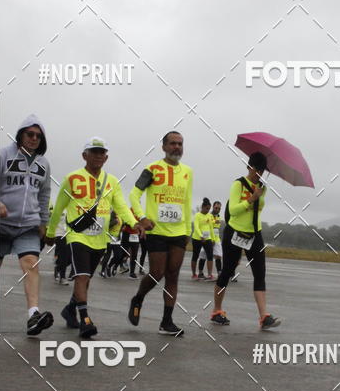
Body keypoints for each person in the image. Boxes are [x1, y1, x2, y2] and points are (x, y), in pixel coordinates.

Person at [46, 137, 145, 337]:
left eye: (102, 152)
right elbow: (58, 208)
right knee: (81, 276)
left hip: (100, 239)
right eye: (94, 152)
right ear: (85, 155)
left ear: (106, 157)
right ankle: (85, 320)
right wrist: (49, 232)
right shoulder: (72, 178)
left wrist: (135, 222)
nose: (98, 156)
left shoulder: (112, 181)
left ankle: (70, 310)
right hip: (77, 236)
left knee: (87, 278)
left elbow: (121, 207)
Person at [127, 131, 192, 336]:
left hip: (179, 232)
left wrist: (188, 230)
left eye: (180, 144)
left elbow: (187, 202)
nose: (177, 147)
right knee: (157, 273)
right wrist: (141, 218)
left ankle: (167, 321)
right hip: (156, 231)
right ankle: (138, 297)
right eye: (172, 143)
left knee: (173, 275)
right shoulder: (152, 169)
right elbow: (134, 195)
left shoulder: (188, 172)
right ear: (163, 147)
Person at [210, 152, 280, 330]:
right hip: (235, 234)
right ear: (249, 167)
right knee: (227, 271)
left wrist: (258, 196)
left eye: (262, 170)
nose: (259, 174)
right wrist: (252, 198)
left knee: (260, 274)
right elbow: (233, 211)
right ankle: (217, 311)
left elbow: (258, 210)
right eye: (256, 169)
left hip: (254, 234)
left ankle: (264, 316)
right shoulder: (238, 184)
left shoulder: (263, 187)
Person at [0, 114, 53, 336]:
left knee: (31, 263)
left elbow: (44, 194)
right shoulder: (3, 154)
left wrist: (44, 223)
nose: (33, 139)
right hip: (0, 222)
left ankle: (33, 315)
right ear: (20, 135)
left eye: (38, 136)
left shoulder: (43, 163)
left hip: (28, 224)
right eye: (29, 134)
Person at [191, 197, 216, 280]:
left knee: (210, 256)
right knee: (195, 256)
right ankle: (194, 274)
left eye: (209, 209)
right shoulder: (197, 215)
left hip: (207, 238)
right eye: (206, 208)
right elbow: (196, 227)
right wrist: (200, 236)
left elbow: (211, 227)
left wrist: (213, 239)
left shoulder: (210, 215)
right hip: (197, 238)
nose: (208, 210)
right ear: (202, 207)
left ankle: (209, 275)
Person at [211, 200, 223, 275]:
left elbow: (217, 227)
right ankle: (200, 272)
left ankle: (219, 272)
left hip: (217, 237)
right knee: (203, 255)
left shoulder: (219, 216)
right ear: (213, 207)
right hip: (208, 236)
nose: (217, 210)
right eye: (216, 208)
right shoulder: (208, 215)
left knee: (218, 255)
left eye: (219, 208)